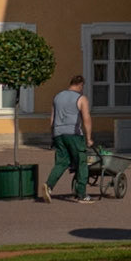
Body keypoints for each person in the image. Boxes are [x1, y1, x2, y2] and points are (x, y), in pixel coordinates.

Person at [43, 73, 92, 202]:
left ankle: (48, 186)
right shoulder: (81, 99)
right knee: (82, 162)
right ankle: (81, 194)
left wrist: (53, 135)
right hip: (74, 134)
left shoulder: (57, 97)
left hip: (58, 133)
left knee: (61, 162)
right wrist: (89, 138)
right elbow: (86, 119)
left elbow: (52, 119)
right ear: (81, 85)